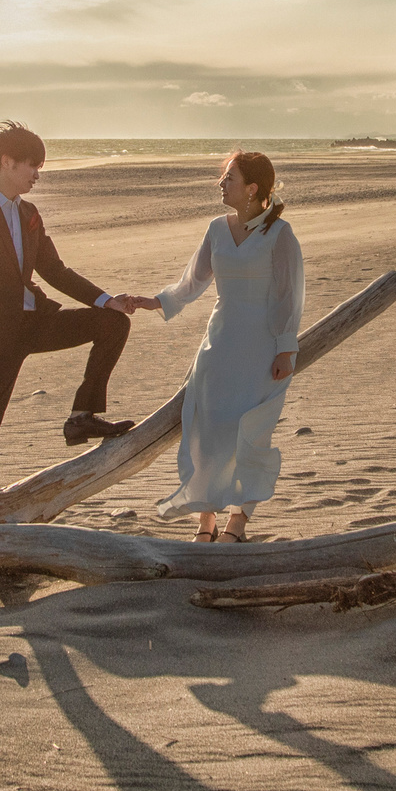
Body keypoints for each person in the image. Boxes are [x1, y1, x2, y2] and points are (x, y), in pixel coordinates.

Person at [0, 122, 143, 495]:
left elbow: (54, 270)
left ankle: (82, 416)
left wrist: (107, 300)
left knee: (111, 323)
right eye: (32, 165)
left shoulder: (28, 213)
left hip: (34, 323)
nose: (38, 174)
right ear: (7, 162)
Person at [149, 151, 302, 541]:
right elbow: (193, 281)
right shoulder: (217, 228)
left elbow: (289, 295)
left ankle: (238, 520)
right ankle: (206, 518)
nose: (221, 183)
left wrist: (285, 348)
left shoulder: (280, 234)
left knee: (249, 432)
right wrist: (155, 301)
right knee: (207, 427)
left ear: (252, 188)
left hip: (260, 347)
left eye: (229, 177)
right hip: (220, 342)